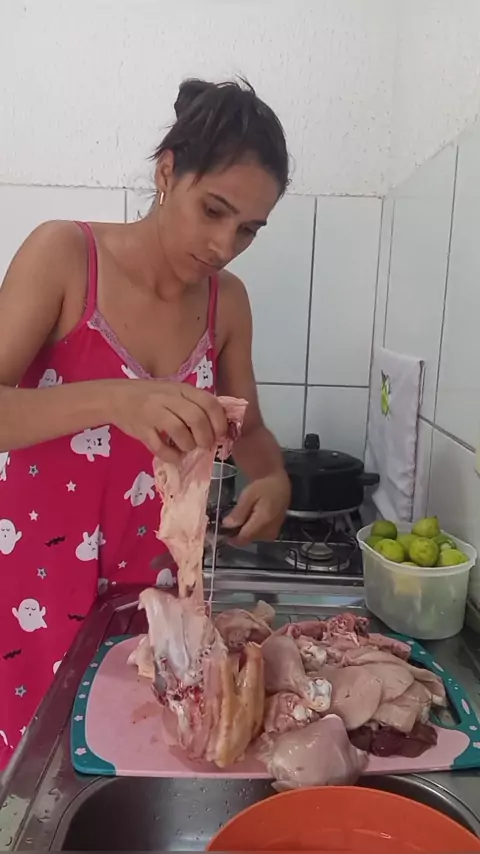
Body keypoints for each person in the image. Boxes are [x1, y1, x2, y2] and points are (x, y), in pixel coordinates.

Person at [0, 78, 292, 768]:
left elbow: (248, 430)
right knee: (34, 775)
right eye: (213, 210)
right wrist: (117, 399)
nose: (224, 244)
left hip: (151, 600)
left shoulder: (227, 303)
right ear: (167, 173)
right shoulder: (66, 256)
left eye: (248, 229)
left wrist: (273, 478)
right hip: (35, 586)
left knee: (136, 758)